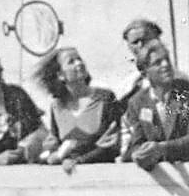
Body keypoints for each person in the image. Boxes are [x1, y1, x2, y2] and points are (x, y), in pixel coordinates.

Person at [33, 47, 123, 172]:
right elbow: (54, 145)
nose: (79, 63)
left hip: (102, 172)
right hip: (69, 174)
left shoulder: (105, 98)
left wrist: (78, 160)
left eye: (79, 59)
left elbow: (113, 144)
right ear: (60, 75)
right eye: (71, 61)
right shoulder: (56, 106)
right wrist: (51, 155)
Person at [122, 41, 189, 171]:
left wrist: (162, 148)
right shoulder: (137, 102)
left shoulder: (185, 92)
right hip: (161, 177)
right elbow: (137, 142)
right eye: (158, 63)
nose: (166, 65)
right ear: (144, 73)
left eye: (167, 59)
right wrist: (138, 153)